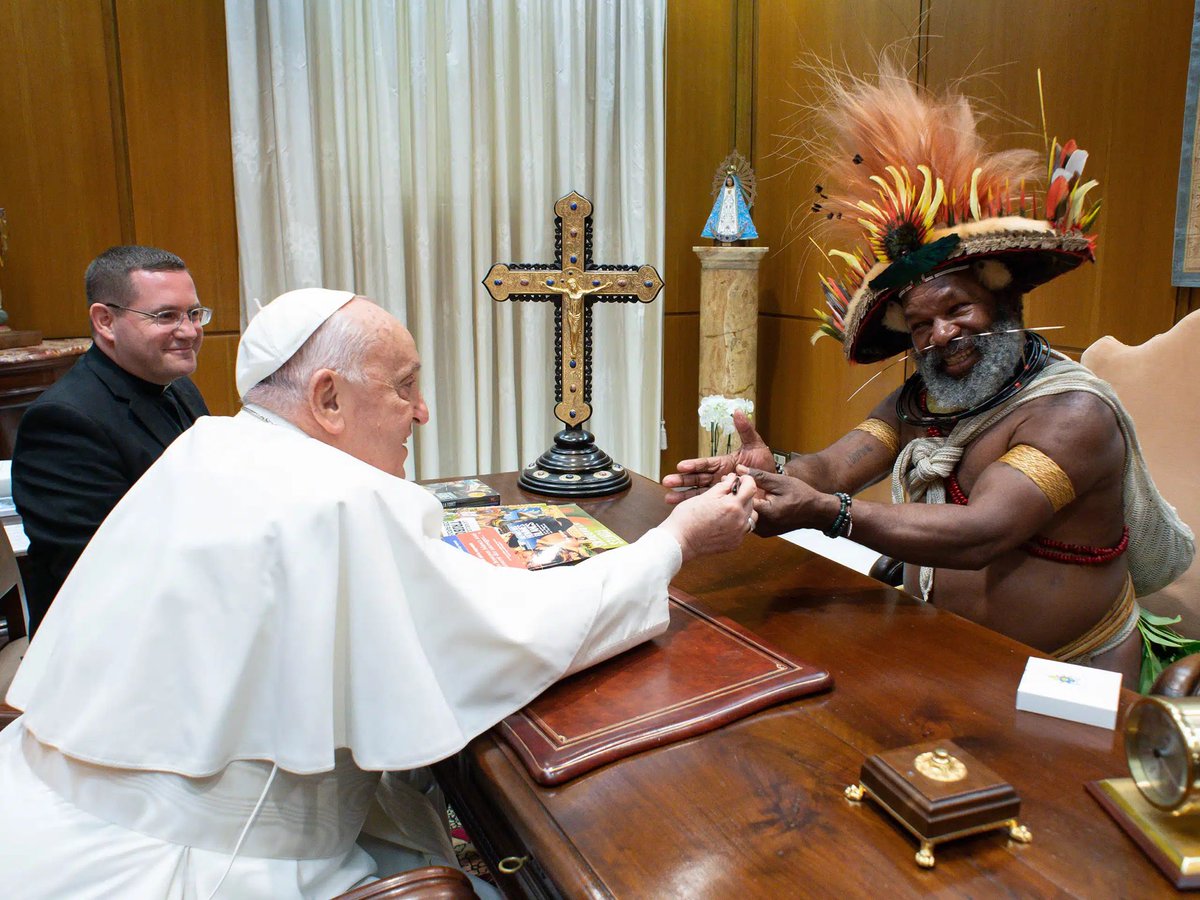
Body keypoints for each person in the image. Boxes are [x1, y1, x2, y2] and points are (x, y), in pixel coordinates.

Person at [0, 288, 756, 898]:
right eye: (404, 386)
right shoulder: (336, 497)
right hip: (209, 866)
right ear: (327, 397)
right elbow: (514, 631)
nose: (422, 412)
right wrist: (676, 540)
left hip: (47, 818)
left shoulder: (208, 447)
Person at [666, 65, 1194, 688]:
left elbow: (982, 532)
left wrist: (828, 514)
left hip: (1067, 674)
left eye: (957, 309)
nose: (940, 335)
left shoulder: (1072, 413)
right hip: (941, 655)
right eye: (920, 325)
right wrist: (770, 470)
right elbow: (834, 469)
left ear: (1002, 299)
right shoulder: (922, 400)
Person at [11, 245, 210, 634]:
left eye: (194, 313)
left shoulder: (178, 386)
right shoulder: (62, 423)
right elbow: (96, 571)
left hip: (176, 609)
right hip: (109, 639)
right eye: (166, 316)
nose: (189, 330)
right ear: (105, 321)